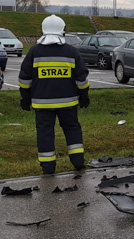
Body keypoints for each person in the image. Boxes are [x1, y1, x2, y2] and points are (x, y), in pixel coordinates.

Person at [18, 15, 90, 174]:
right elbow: (81, 79)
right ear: (62, 30)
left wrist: (25, 97)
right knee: (72, 129)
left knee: (45, 134)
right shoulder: (71, 52)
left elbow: (24, 78)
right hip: (68, 104)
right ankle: (78, 161)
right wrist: (84, 96)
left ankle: (48, 167)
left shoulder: (34, 52)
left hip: (42, 105)